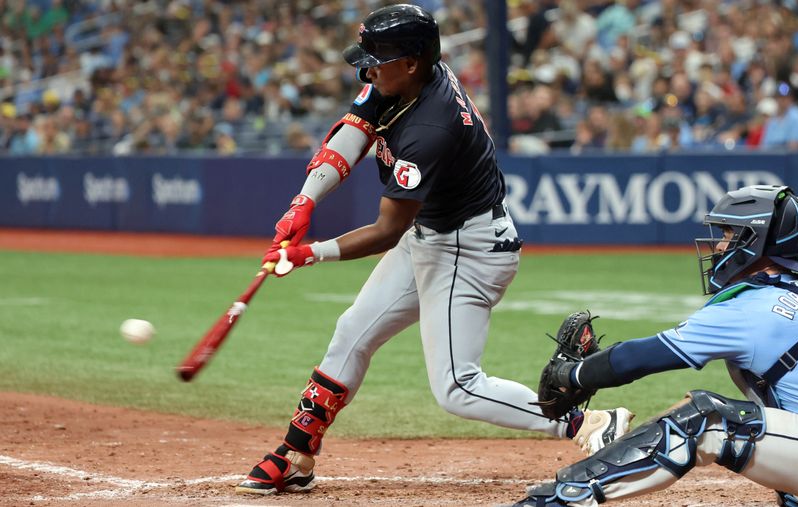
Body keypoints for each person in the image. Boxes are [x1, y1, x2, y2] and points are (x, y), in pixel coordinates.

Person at [235, 4, 631, 497]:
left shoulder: (432, 127)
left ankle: (585, 423)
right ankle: (297, 452)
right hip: (434, 234)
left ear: (413, 62)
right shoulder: (400, 81)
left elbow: (386, 229)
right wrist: (304, 201)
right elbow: (353, 132)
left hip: (469, 249)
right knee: (352, 332)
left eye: (378, 59)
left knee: (457, 388)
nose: (368, 68)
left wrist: (309, 253)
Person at [508, 184, 798, 507]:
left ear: (754, 242)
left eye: (730, 234)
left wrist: (573, 374)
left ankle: (560, 499)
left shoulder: (751, 307)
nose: (719, 244)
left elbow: (643, 357)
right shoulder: (786, 294)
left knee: (708, 421)